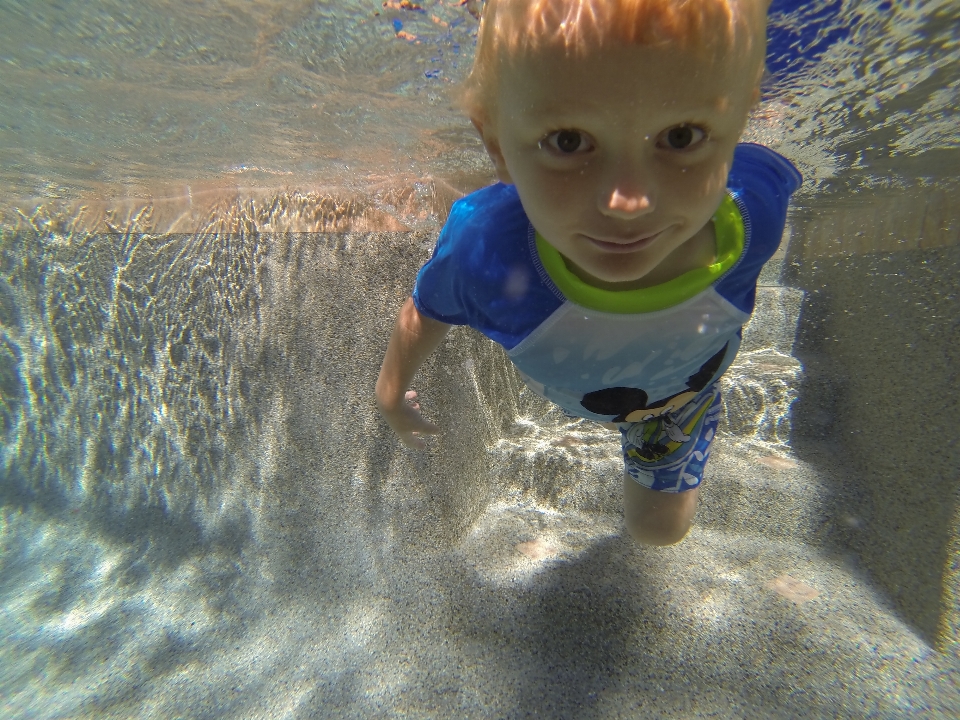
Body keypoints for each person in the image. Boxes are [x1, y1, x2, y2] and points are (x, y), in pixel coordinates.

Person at [375, 0, 802, 546]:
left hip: (676, 408)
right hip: (607, 388)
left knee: (659, 532)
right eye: (568, 141)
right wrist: (390, 394)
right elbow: (425, 309)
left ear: (740, 123)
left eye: (681, 136)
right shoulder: (486, 251)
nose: (629, 202)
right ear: (497, 146)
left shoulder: (756, 207)